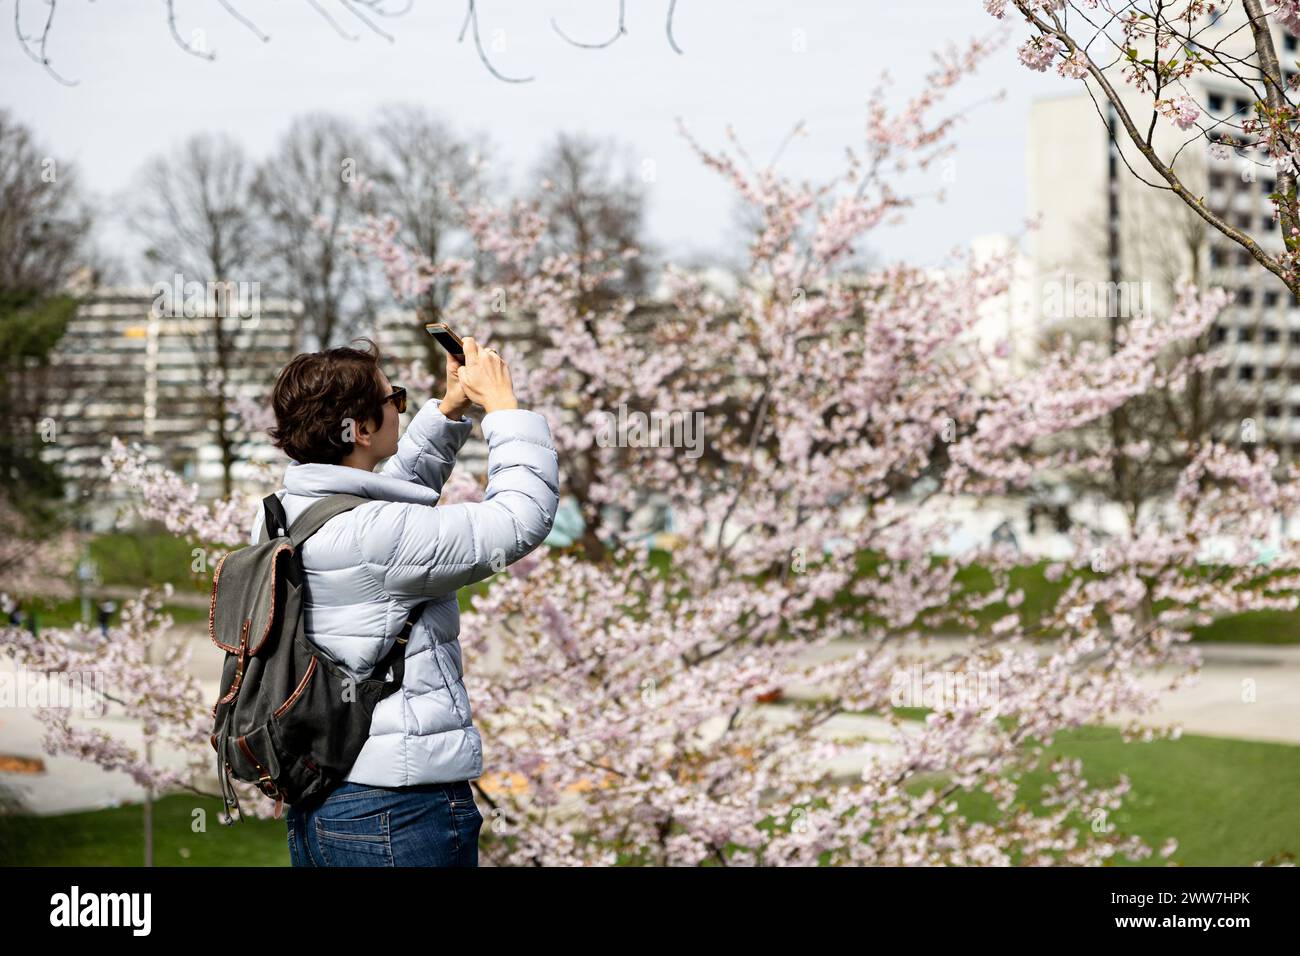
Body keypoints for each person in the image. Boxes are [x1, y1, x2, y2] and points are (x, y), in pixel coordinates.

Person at [257, 336, 558, 867]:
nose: (400, 405)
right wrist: (505, 411)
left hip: (325, 798)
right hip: (398, 811)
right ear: (362, 428)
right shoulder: (376, 535)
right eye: (392, 397)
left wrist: (447, 412)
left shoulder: (283, 514)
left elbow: (382, 504)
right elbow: (518, 521)